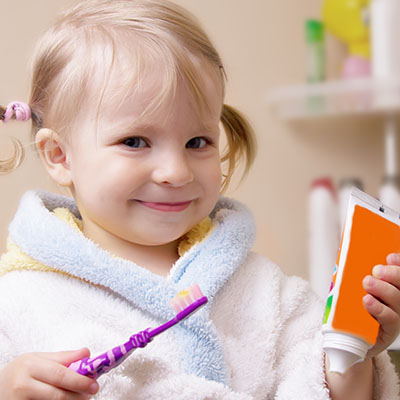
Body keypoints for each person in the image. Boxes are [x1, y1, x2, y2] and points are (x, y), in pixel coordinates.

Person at [0, 0, 399, 399]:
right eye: (134, 141)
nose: (177, 171)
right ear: (60, 156)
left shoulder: (269, 293)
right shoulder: (17, 303)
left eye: (197, 142)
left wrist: (352, 357)